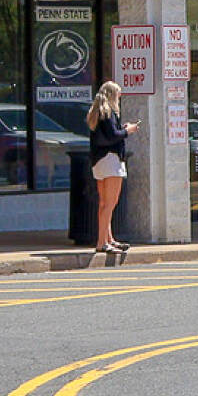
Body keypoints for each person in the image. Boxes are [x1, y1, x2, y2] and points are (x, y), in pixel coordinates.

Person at [86, 81, 135, 262]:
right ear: (112, 95)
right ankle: (102, 242)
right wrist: (128, 131)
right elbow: (113, 136)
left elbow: (107, 134)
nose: (119, 99)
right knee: (110, 203)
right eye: (118, 95)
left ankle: (108, 239)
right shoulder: (108, 113)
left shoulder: (96, 112)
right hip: (111, 160)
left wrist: (121, 129)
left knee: (104, 203)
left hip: (98, 161)